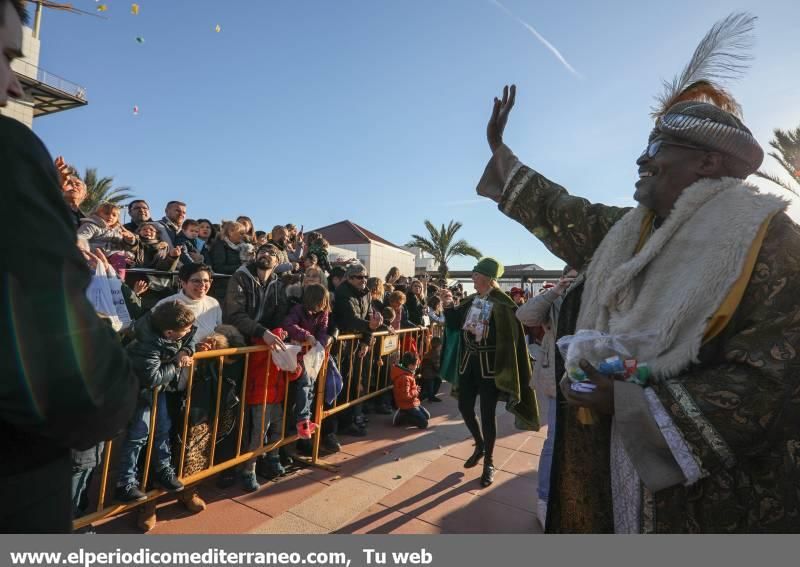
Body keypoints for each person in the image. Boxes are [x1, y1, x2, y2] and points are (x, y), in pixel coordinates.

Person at [476, 16, 800, 533]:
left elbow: (772, 382)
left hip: (704, 504)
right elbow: (569, 213)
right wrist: (502, 155)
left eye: (655, 150)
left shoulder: (771, 241)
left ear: (707, 163)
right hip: (605, 471)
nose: (640, 160)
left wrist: (631, 402)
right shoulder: (634, 228)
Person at [1, 0, 137, 532]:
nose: (15, 86)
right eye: (6, 58)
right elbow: (76, 385)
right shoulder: (10, 153)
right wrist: (120, 392)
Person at [441, 258, 539, 488]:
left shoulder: (503, 304)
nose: (472, 279)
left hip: (491, 368)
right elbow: (455, 324)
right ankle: (480, 444)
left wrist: (488, 335)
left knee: (487, 415)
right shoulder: (470, 300)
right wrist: (447, 305)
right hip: (468, 365)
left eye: (475, 275)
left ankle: (489, 463)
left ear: (486, 278)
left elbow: (510, 338)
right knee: (464, 407)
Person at [114, 301, 196, 504]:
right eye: (182, 331)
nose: (187, 333)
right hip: (140, 393)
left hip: (158, 392)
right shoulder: (145, 343)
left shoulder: (175, 331)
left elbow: (190, 338)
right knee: (138, 435)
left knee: (163, 429)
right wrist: (176, 363)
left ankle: (163, 470)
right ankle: (125, 483)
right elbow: (152, 377)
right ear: (168, 333)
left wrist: (185, 352)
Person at [514, 265, 576, 528]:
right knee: (553, 438)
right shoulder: (556, 297)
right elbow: (525, 315)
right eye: (571, 278)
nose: (575, 284)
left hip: (588, 374)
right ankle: (544, 498)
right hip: (556, 376)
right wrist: (556, 291)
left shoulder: (596, 294)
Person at [284, 283, 332, 439]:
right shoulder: (298, 310)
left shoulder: (323, 313)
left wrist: (324, 342)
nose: (323, 306)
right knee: (305, 385)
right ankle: (302, 420)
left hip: (311, 356)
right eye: (320, 302)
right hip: (298, 356)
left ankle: (306, 417)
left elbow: (323, 331)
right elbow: (288, 324)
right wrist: (305, 335)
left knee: (310, 386)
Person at [222, 243, 288, 350]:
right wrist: (262, 332)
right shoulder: (240, 277)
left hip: (263, 340)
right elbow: (234, 314)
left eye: (271, 253)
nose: (265, 254)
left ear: (277, 262)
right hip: (237, 338)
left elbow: (280, 315)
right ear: (256, 256)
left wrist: (279, 332)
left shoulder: (278, 285)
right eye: (262, 251)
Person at [391, 353, 430, 429]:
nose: (417, 366)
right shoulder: (405, 378)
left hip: (412, 402)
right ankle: (403, 416)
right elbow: (406, 396)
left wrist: (415, 389)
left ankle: (405, 414)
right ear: (410, 366)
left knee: (427, 416)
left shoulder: (408, 374)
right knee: (424, 424)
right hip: (407, 404)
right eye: (416, 365)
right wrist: (416, 391)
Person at [421, 336, 443, 403]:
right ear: (438, 346)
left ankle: (429, 396)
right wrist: (440, 370)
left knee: (430, 385)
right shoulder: (436, 354)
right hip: (429, 374)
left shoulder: (430, 351)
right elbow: (436, 366)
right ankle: (431, 397)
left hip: (426, 372)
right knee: (435, 382)